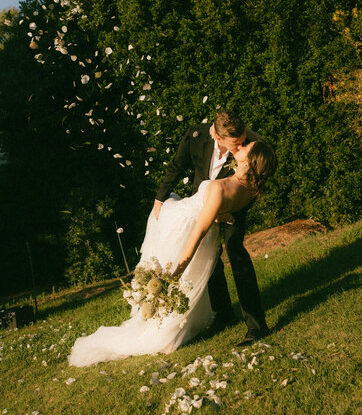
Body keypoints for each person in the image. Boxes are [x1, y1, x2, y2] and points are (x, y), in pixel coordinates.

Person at [68, 139, 276, 367]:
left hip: (183, 226)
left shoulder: (221, 187)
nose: (241, 146)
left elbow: (198, 232)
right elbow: (221, 213)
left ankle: (159, 328)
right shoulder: (248, 190)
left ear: (249, 161)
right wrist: (221, 216)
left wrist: (178, 269)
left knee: (164, 210)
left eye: (246, 147)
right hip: (202, 229)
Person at [154, 111, 277, 346]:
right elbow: (176, 166)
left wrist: (224, 209)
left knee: (235, 251)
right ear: (218, 137)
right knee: (210, 258)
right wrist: (160, 198)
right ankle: (223, 314)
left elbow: (262, 158)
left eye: (244, 140)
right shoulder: (196, 135)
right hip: (204, 202)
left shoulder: (248, 146)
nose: (243, 144)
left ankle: (256, 324)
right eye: (237, 143)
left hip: (232, 198)